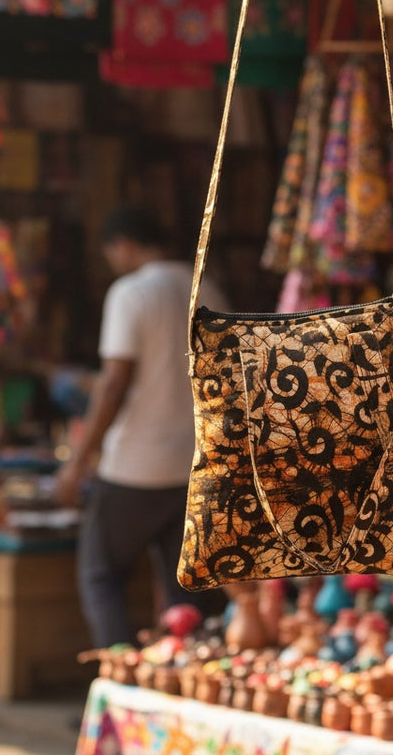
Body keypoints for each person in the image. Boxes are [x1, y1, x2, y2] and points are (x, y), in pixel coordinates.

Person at [55, 206, 226, 648]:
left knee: (100, 573)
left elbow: (113, 382)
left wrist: (77, 463)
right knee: (183, 589)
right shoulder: (209, 289)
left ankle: (120, 677)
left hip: (136, 466)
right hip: (194, 464)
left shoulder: (131, 293)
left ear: (125, 245)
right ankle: (177, 679)